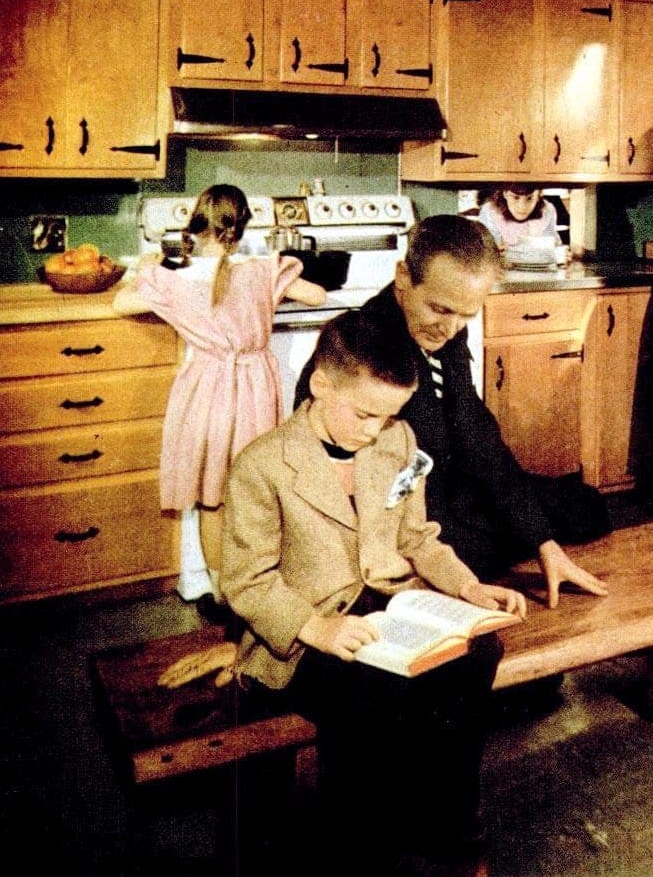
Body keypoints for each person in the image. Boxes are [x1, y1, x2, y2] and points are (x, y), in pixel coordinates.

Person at [221, 312, 525, 873]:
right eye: (364, 413)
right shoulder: (262, 466)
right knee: (372, 698)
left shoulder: (398, 440)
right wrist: (317, 628)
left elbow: (416, 537)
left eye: (389, 416)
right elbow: (246, 580)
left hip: (388, 605)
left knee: (478, 652)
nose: (374, 430)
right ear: (320, 384)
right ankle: (365, 848)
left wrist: (467, 585)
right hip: (302, 633)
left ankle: (452, 826)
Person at [296, 214, 609, 610]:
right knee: (477, 550)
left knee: (584, 507)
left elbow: (476, 434)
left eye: (466, 315)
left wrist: (543, 544)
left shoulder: (442, 330)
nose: (451, 328)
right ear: (403, 278)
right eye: (441, 309)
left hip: (452, 488)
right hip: (399, 514)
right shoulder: (364, 343)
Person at [112, 184, 326, 604]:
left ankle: (221, 590)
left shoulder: (176, 281)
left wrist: (148, 265)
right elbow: (316, 294)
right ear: (242, 226)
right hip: (255, 389)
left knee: (212, 496)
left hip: (208, 390)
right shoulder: (261, 270)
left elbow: (121, 304)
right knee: (251, 488)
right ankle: (254, 586)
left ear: (193, 226)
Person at [477, 185, 559, 251]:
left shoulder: (547, 211)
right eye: (515, 198)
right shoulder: (490, 212)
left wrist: (561, 253)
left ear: (539, 194)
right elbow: (484, 251)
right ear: (505, 193)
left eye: (530, 198)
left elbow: (552, 243)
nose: (522, 207)